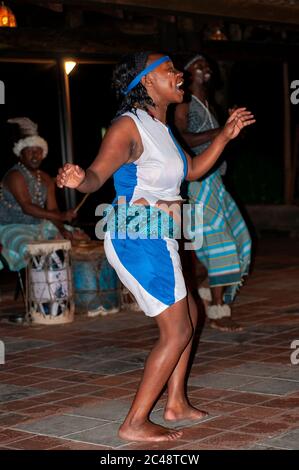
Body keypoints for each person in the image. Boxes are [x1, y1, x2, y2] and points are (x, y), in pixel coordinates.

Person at [57, 51, 255, 443]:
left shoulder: (162, 129)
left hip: (159, 234)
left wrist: (225, 135)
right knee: (177, 330)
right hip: (136, 233)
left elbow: (194, 170)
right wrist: (78, 178)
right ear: (146, 82)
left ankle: (176, 402)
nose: (178, 74)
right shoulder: (128, 128)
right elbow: (96, 177)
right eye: (169, 70)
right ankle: (134, 422)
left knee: (191, 317)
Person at [174, 54, 252, 332]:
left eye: (207, 64)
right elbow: (180, 139)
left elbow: (221, 141)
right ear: (186, 72)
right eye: (199, 64)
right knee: (221, 244)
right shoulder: (183, 103)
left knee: (241, 240)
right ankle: (219, 311)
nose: (206, 68)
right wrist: (221, 131)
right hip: (196, 183)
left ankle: (208, 290)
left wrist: (235, 130)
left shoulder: (210, 103)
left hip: (215, 182)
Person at [0, 117, 83, 273]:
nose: (35, 155)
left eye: (38, 151)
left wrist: (62, 229)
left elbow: (53, 210)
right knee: (31, 250)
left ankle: (70, 287)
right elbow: (27, 207)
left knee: (78, 238)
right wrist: (63, 216)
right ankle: (42, 292)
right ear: (21, 154)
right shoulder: (15, 175)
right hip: (13, 227)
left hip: (40, 226)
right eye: (30, 151)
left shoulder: (45, 178)